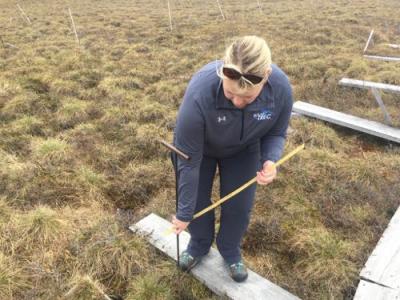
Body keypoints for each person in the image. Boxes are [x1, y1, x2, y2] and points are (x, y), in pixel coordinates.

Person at [171, 35, 293, 282]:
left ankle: (230, 250)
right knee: (195, 203)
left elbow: (276, 132)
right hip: (198, 152)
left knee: (239, 206)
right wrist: (184, 213)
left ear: (266, 76)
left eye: (248, 98)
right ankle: (198, 245)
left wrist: (270, 159)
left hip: (243, 150)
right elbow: (188, 163)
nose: (238, 102)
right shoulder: (200, 93)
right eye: (230, 93)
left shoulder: (280, 90)